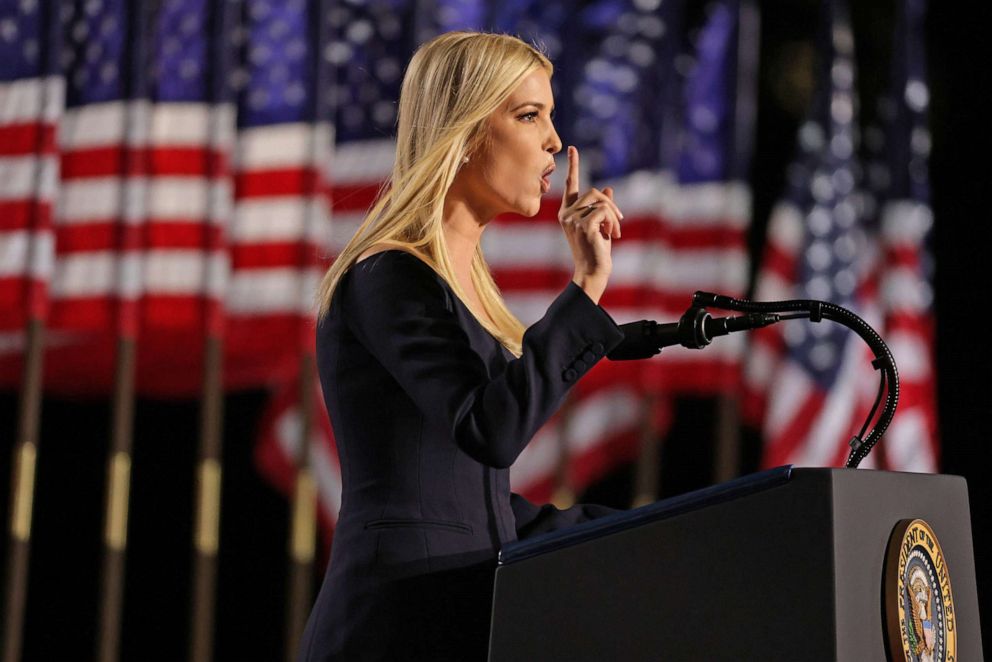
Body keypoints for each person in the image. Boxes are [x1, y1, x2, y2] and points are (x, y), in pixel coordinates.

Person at [298, 31, 628, 661]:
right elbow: (489, 429)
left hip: (463, 619)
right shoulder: (387, 275)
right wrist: (585, 287)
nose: (555, 142)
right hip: (392, 627)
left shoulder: (461, 292)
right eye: (530, 116)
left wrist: (635, 530)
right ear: (467, 131)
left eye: (550, 118)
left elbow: (465, 495)